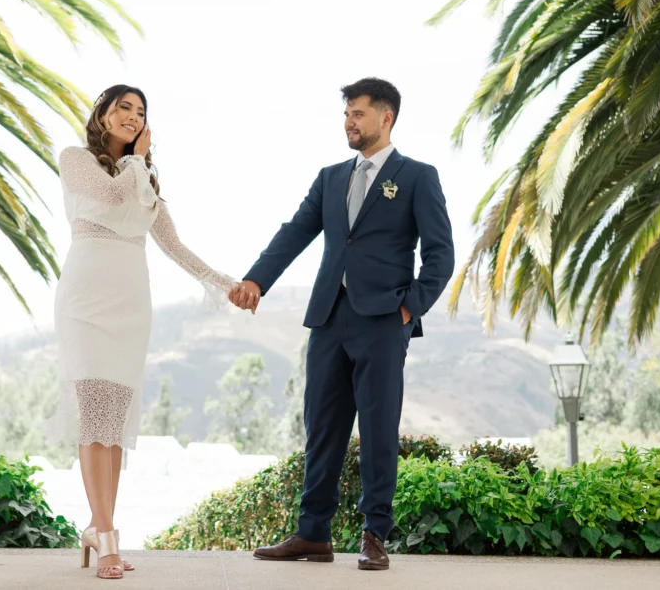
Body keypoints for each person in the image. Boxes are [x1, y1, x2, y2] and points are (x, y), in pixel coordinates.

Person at [230, 77, 454, 570]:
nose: (349, 122)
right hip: (329, 318)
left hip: (382, 320)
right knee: (322, 427)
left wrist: (408, 307)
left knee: (377, 429)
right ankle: (312, 533)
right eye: (346, 114)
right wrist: (256, 280)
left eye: (358, 113)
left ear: (385, 117)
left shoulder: (417, 176)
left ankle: (375, 534)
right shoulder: (331, 177)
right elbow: (295, 232)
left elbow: (441, 256)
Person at [53, 85, 237, 580]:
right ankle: (107, 538)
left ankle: (98, 526)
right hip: (86, 302)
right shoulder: (76, 159)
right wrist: (137, 160)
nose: (133, 116)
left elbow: (173, 244)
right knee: (94, 413)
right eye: (124, 108)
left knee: (112, 422)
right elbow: (112, 193)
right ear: (103, 114)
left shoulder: (145, 177)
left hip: (132, 305)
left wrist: (226, 284)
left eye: (140, 111)